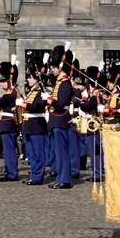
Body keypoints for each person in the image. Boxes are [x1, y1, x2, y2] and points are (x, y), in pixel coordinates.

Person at [47, 43, 74, 189]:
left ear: (60, 66)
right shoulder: (59, 82)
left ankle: (65, 179)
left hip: (61, 119)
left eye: (54, 67)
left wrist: (49, 99)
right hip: (56, 120)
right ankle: (60, 177)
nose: (52, 70)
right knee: (58, 151)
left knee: (62, 151)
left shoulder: (65, 83)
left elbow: (59, 104)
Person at [19, 63, 48, 185]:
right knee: (30, 153)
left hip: (37, 125)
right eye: (28, 77)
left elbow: (38, 106)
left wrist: (24, 104)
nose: (28, 79)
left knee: (38, 153)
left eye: (31, 77)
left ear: (36, 80)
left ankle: (37, 177)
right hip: (28, 126)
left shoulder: (41, 92)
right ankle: (33, 174)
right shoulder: (31, 92)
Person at [0, 61, 20, 182]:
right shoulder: (8, 92)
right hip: (5, 123)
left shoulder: (12, 93)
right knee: (8, 150)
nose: (2, 84)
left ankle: (12, 173)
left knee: (9, 150)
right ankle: (10, 171)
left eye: (3, 81)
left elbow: (0, 102)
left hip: (8, 122)